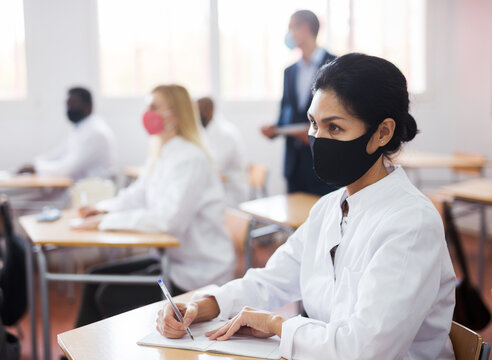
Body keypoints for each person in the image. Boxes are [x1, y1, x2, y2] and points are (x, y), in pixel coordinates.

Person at [156, 54, 457, 360]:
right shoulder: (329, 209)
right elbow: (273, 278)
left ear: (383, 132)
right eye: (314, 124)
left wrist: (277, 325)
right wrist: (205, 305)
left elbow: (366, 350)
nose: (318, 138)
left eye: (335, 128)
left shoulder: (411, 223)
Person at [73, 84, 235, 326]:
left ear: (176, 115)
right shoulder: (165, 151)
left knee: (109, 296)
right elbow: (139, 193)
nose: (147, 113)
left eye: (154, 107)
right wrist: (104, 209)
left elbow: (168, 222)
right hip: (173, 259)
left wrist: (106, 222)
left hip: (198, 269)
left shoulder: (190, 158)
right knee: (94, 277)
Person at [261, 10, 337, 195]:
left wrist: (314, 132)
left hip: (322, 163)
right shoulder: (290, 72)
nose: (289, 34)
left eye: (291, 28)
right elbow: (286, 113)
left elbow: (340, 115)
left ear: (304, 28)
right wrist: (275, 129)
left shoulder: (336, 66)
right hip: (294, 166)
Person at [17, 87, 117, 181]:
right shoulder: (80, 129)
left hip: (91, 191)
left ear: (88, 106)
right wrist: (35, 163)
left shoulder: (96, 133)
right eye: (67, 104)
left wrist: (37, 168)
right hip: (76, 187)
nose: (69, 108)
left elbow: (68, 168)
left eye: (73, 103)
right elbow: (58, 154)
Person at [197, 97, 247, 207]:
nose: (197, 114)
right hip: (218, 188)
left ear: (210, 110)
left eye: (200, 110)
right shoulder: (205, 131)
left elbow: (216, 166)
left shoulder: (226, 134)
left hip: (230, 191)